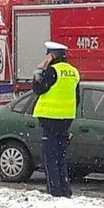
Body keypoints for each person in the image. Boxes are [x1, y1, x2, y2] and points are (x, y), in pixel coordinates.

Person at [32, 41, 80, 198]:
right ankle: (65, 191)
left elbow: (38, 89)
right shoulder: (73, 72)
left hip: (50, 120)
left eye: (47, 54)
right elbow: (77, 97)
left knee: (50, 159)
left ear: (52, 55)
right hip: (66, 120)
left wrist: (39, 70)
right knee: (60, 158)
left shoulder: (52, 71)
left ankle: (54, 192)